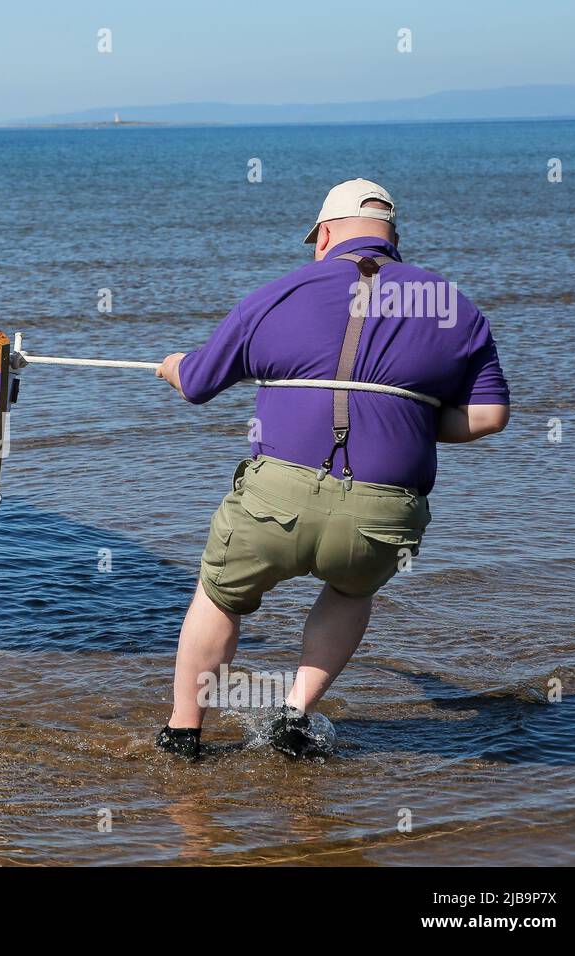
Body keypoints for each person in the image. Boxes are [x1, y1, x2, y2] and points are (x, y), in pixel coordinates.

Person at [153, 179, 510, 760]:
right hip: (382, 511)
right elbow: (490, 415)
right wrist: (411, 419)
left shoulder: (275, 294)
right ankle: (293, 715)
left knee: (218, 597)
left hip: (277, 501)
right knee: (349, 591)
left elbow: (196, 383)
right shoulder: (453, 306)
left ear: (323, 236)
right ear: (392, 238)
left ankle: (183, 733)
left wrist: (171, 366)